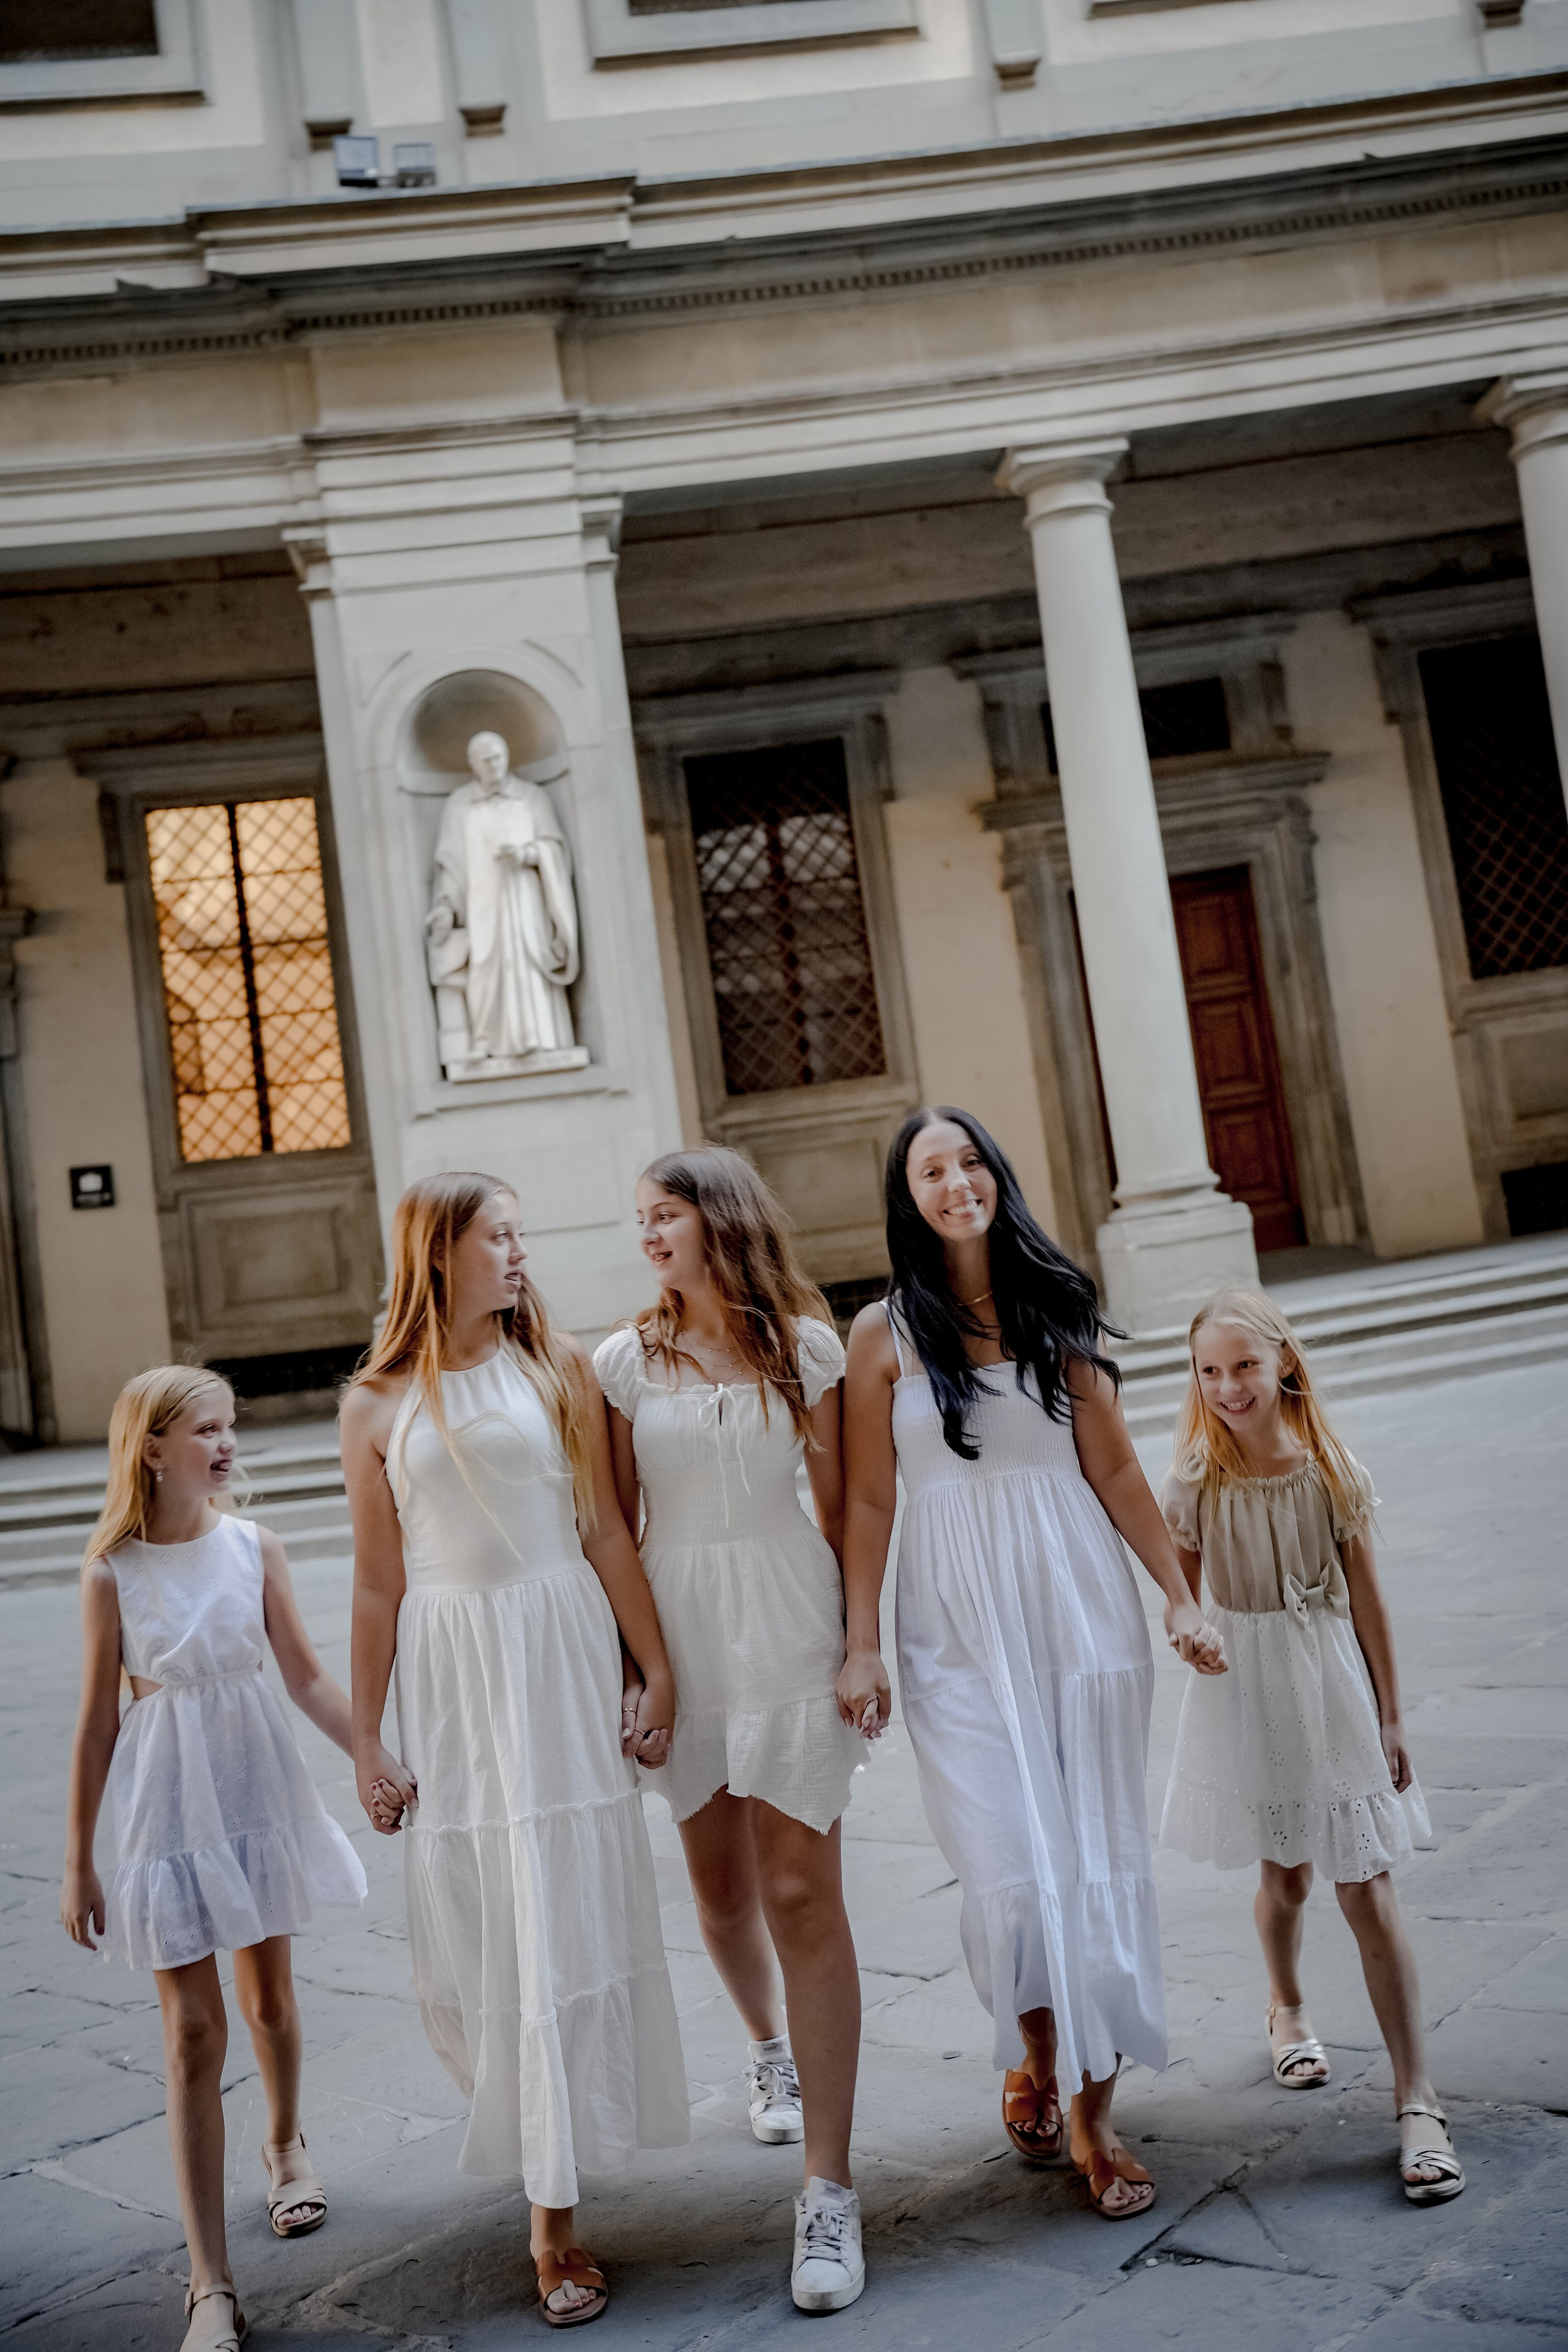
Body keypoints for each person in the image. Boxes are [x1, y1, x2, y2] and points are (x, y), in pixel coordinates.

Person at [839, 1108, 1227, 2222]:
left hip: (1076, 1609)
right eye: (931, 1169)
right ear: (906, 1196)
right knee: (1007, 1865)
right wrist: (862, 1642)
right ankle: (1033, 2045)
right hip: (951, 1620)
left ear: (996, 1177)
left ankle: (1097, 2118)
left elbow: (1114, 1469)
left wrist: (1180, 1596)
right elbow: (869, 1498)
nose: (955, 1182)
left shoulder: (1056, 1304)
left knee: (1094, 1852)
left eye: (970, 1163)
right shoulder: (882, 1335)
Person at [341, 1172, 689, 2331]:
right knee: (487, 1925)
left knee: (563, 1914)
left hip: (556, 1654)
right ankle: (543, 2160)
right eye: (499, 1237)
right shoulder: (375, 1404)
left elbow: (602, 1531)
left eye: (521, 1236)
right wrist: (365, 1740)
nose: (519, 1254)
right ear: (439, 1253)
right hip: (453, 1677)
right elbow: (379, 1581)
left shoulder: (560, 1370)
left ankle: (556, 2218)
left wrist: (656, 1668)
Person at [593, 1148, 869, 2314]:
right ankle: (769, 2047)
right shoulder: (618, 1362)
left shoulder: (807, 1346)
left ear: (720, 1222)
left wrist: (862, 1641)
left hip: (792, 1624)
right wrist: (639, 1672)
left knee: (802, 1893)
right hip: (683, 1641)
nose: (648, 1235)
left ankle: (830, 2192)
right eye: (642, 1218)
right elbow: (610, 1523)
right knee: (719, 1890)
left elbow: (851, 1499)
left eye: (666, 1216)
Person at [59, 1366, 367, 2352]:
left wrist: (374, 1752)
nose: (227, 1444)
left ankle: (285, 2143)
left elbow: (309, 1676)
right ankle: (210, 2284)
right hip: (164, 1808)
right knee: (193, 2034)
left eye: (230, 1427)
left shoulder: (254, 1547)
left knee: (268, 2001)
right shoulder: (111, 1572)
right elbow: (96, 1727)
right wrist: (79, 1860)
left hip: (254, 1786)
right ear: (151, 1449)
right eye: (206, 1429)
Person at [1159, 1288, 1462, 2205]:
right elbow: (1180, 1594)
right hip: (1245, 1689)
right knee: (1284, 1873)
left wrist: (1392, 1714)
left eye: (1244, 1366)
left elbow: (1368, 1600)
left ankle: (1419, 2098)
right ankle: (1286, 2005)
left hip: (1328, 1680)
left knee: (1365, 1885)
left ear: (1283, 1363)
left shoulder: (1331, 1470)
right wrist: (1189, 1630)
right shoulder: (1193, 1480)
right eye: (1210, 1371)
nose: (1228, 1387)